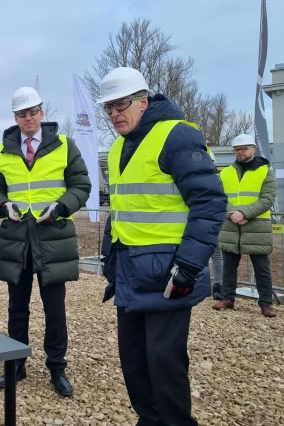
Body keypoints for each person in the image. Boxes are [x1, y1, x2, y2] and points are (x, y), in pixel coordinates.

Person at [98, 67, 226, 426]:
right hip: (130, 273)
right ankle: (150, 420)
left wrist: (187, 266)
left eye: (120, 104)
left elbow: (210, 203)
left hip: (170, 276)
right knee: (134, 362)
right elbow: (122, 208)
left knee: (163, 362)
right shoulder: (121, 146)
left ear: (143, 100)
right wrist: (111, 256)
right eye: (108, 107)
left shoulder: (177, 136)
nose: (114, 114)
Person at [0, 86, 91, 397]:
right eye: (21, 113)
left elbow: (81, 184)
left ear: (42, 113)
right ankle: (16, 364)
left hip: (52, 237)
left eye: (32, 111)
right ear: (15, 117)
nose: (28, 117)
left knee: (54, 309)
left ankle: (57, 367)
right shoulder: (3, 151)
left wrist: (60, 207)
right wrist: (3, 206)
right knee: (17, 308)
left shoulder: (64, 146)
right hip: (17, 238)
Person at [213, 134, 277, 318]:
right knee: (229, 266)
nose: (240, 152)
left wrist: (244, 213)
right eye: (237, 150)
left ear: (253, 149)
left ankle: (265, 303)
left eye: (243, 149)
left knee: (261, 268)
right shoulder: (225, 173)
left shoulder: (265, 172)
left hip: (256, 225)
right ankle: (227, 298)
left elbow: (268, 198)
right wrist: (233, 213)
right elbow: (219, 196)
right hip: (231, 224)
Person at [208, 149, 224, 300]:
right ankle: (205, 284)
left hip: (214, 221)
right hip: (198, 221)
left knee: (217, 255)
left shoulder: (218, 179)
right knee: (200, 254)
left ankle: (218, 285)